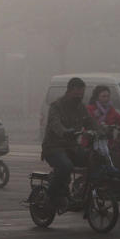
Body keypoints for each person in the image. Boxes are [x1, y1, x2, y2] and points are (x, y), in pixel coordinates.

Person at [41, 77, 99, 208]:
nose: (80, 96)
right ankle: (51, 195)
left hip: (72, 147)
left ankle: (83, 192)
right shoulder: (56, 106)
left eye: (82, 93)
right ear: (69, 91)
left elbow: (91, 122)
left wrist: (102, 131)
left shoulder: (81, 108)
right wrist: (65, 131)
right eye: (77, 93)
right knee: (66, 166)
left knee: (95, 159)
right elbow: (55, 124)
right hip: (53, 147)